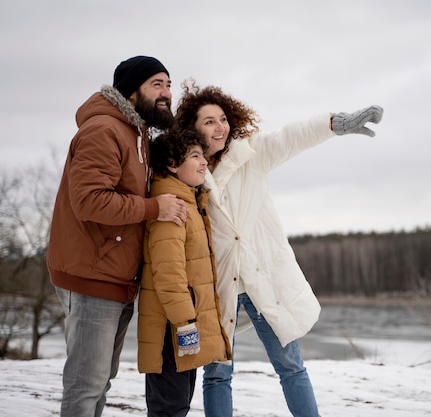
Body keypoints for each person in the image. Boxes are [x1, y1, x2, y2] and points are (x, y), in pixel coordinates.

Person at [173, 79, 383, 417]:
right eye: (209, 121)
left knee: (290, 364)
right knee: (216, 373)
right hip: (217, 285)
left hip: (261, 278)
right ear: (192, 127)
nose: (219, 127)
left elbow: (291, 136)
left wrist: (334, 123)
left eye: (223, 119)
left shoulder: (250, 153)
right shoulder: (186, 170)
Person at [46, 56, 188, 417]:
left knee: (99, 382)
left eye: (169, 85)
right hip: (93, 275)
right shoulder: (104, 130)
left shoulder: (135, 132)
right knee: (85, 385)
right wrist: (155, 208)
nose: (166, 93)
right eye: (157, 84)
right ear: (131, 90)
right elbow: (90, 202)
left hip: (115, 275)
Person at [138, 128, 232, 417]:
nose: (204, 162)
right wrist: (185, 323)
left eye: (203, 155)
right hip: (171, 328)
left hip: (180, 325)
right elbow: (168, 274)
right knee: (170, 408)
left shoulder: (188, 202)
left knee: (177, 405)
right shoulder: (172, 206)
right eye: (194, 156)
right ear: (172, 164)